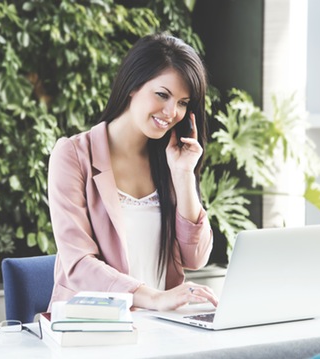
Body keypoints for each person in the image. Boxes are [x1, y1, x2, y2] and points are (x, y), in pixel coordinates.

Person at [47, 33, 219, 312]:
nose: (171, 111)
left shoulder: (171, 159)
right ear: (132, 86)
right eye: (162, 95)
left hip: (162, 328)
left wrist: (184, 175)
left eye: (183, 102)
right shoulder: (73, 155)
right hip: (93, 326)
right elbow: (78, 263)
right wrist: (152, 297)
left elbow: (196, 258)